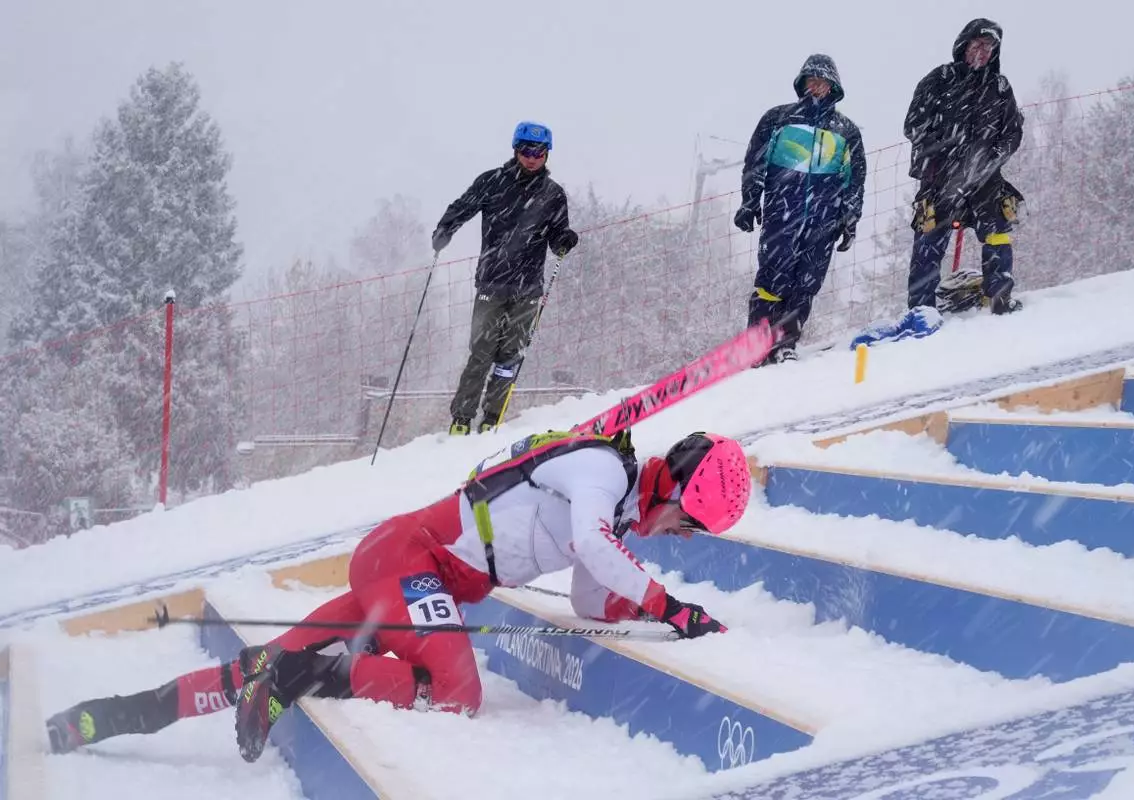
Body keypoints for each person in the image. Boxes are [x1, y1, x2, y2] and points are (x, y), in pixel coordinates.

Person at [45, 429, 752, 764]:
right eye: (692, 522)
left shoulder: (616, 506)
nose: (684, 537)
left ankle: (97, 719)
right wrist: (670, 606)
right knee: (456, 692)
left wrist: (648, 610)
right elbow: (597, 549)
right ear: (679, 489)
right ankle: (311, 673)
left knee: (251, 671)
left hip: (410, 574)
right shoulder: (601, 468)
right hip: (410, 560)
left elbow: (594, 596)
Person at [433, 121, 580, 435]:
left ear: (546, 155)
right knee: (481, 353)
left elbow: (556, 236)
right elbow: (463, 207)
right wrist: (445, 229)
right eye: (527, 150)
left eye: (539, 152)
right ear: (516, 149)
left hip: (528, 288)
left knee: (510, 356)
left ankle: (491, 419)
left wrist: (564, 240)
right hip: (492, 282)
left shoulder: (553, 194)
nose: (532, 157)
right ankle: (461, 419)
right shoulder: (493, 182)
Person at [735, 54, 866, 365]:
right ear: (802, 83)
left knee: (806, 283)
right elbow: (755, 163)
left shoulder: (846, 132)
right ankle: (757, 342)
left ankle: (785, 343)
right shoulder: (778, 119)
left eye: (822, 82)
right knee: (771, 279)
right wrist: (749, 200)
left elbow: (854, 180)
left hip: (824, 220)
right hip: (783, 214)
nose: (816, 87)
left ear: (833, 87)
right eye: (811, 81)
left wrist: (850, 218)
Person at [905, 18, 1025, 315]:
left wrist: (993, 156)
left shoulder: (999, 86)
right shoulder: (939, 79)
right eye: (978, 44)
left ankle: (999, 298)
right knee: (929, 241)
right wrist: (945, 152)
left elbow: (1013, 132)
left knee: (997, 232)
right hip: (940, 179)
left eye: (990, 47)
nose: (983, 52)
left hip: (986, 179)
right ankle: (921, 311)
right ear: (964, 45)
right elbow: (914, 125)